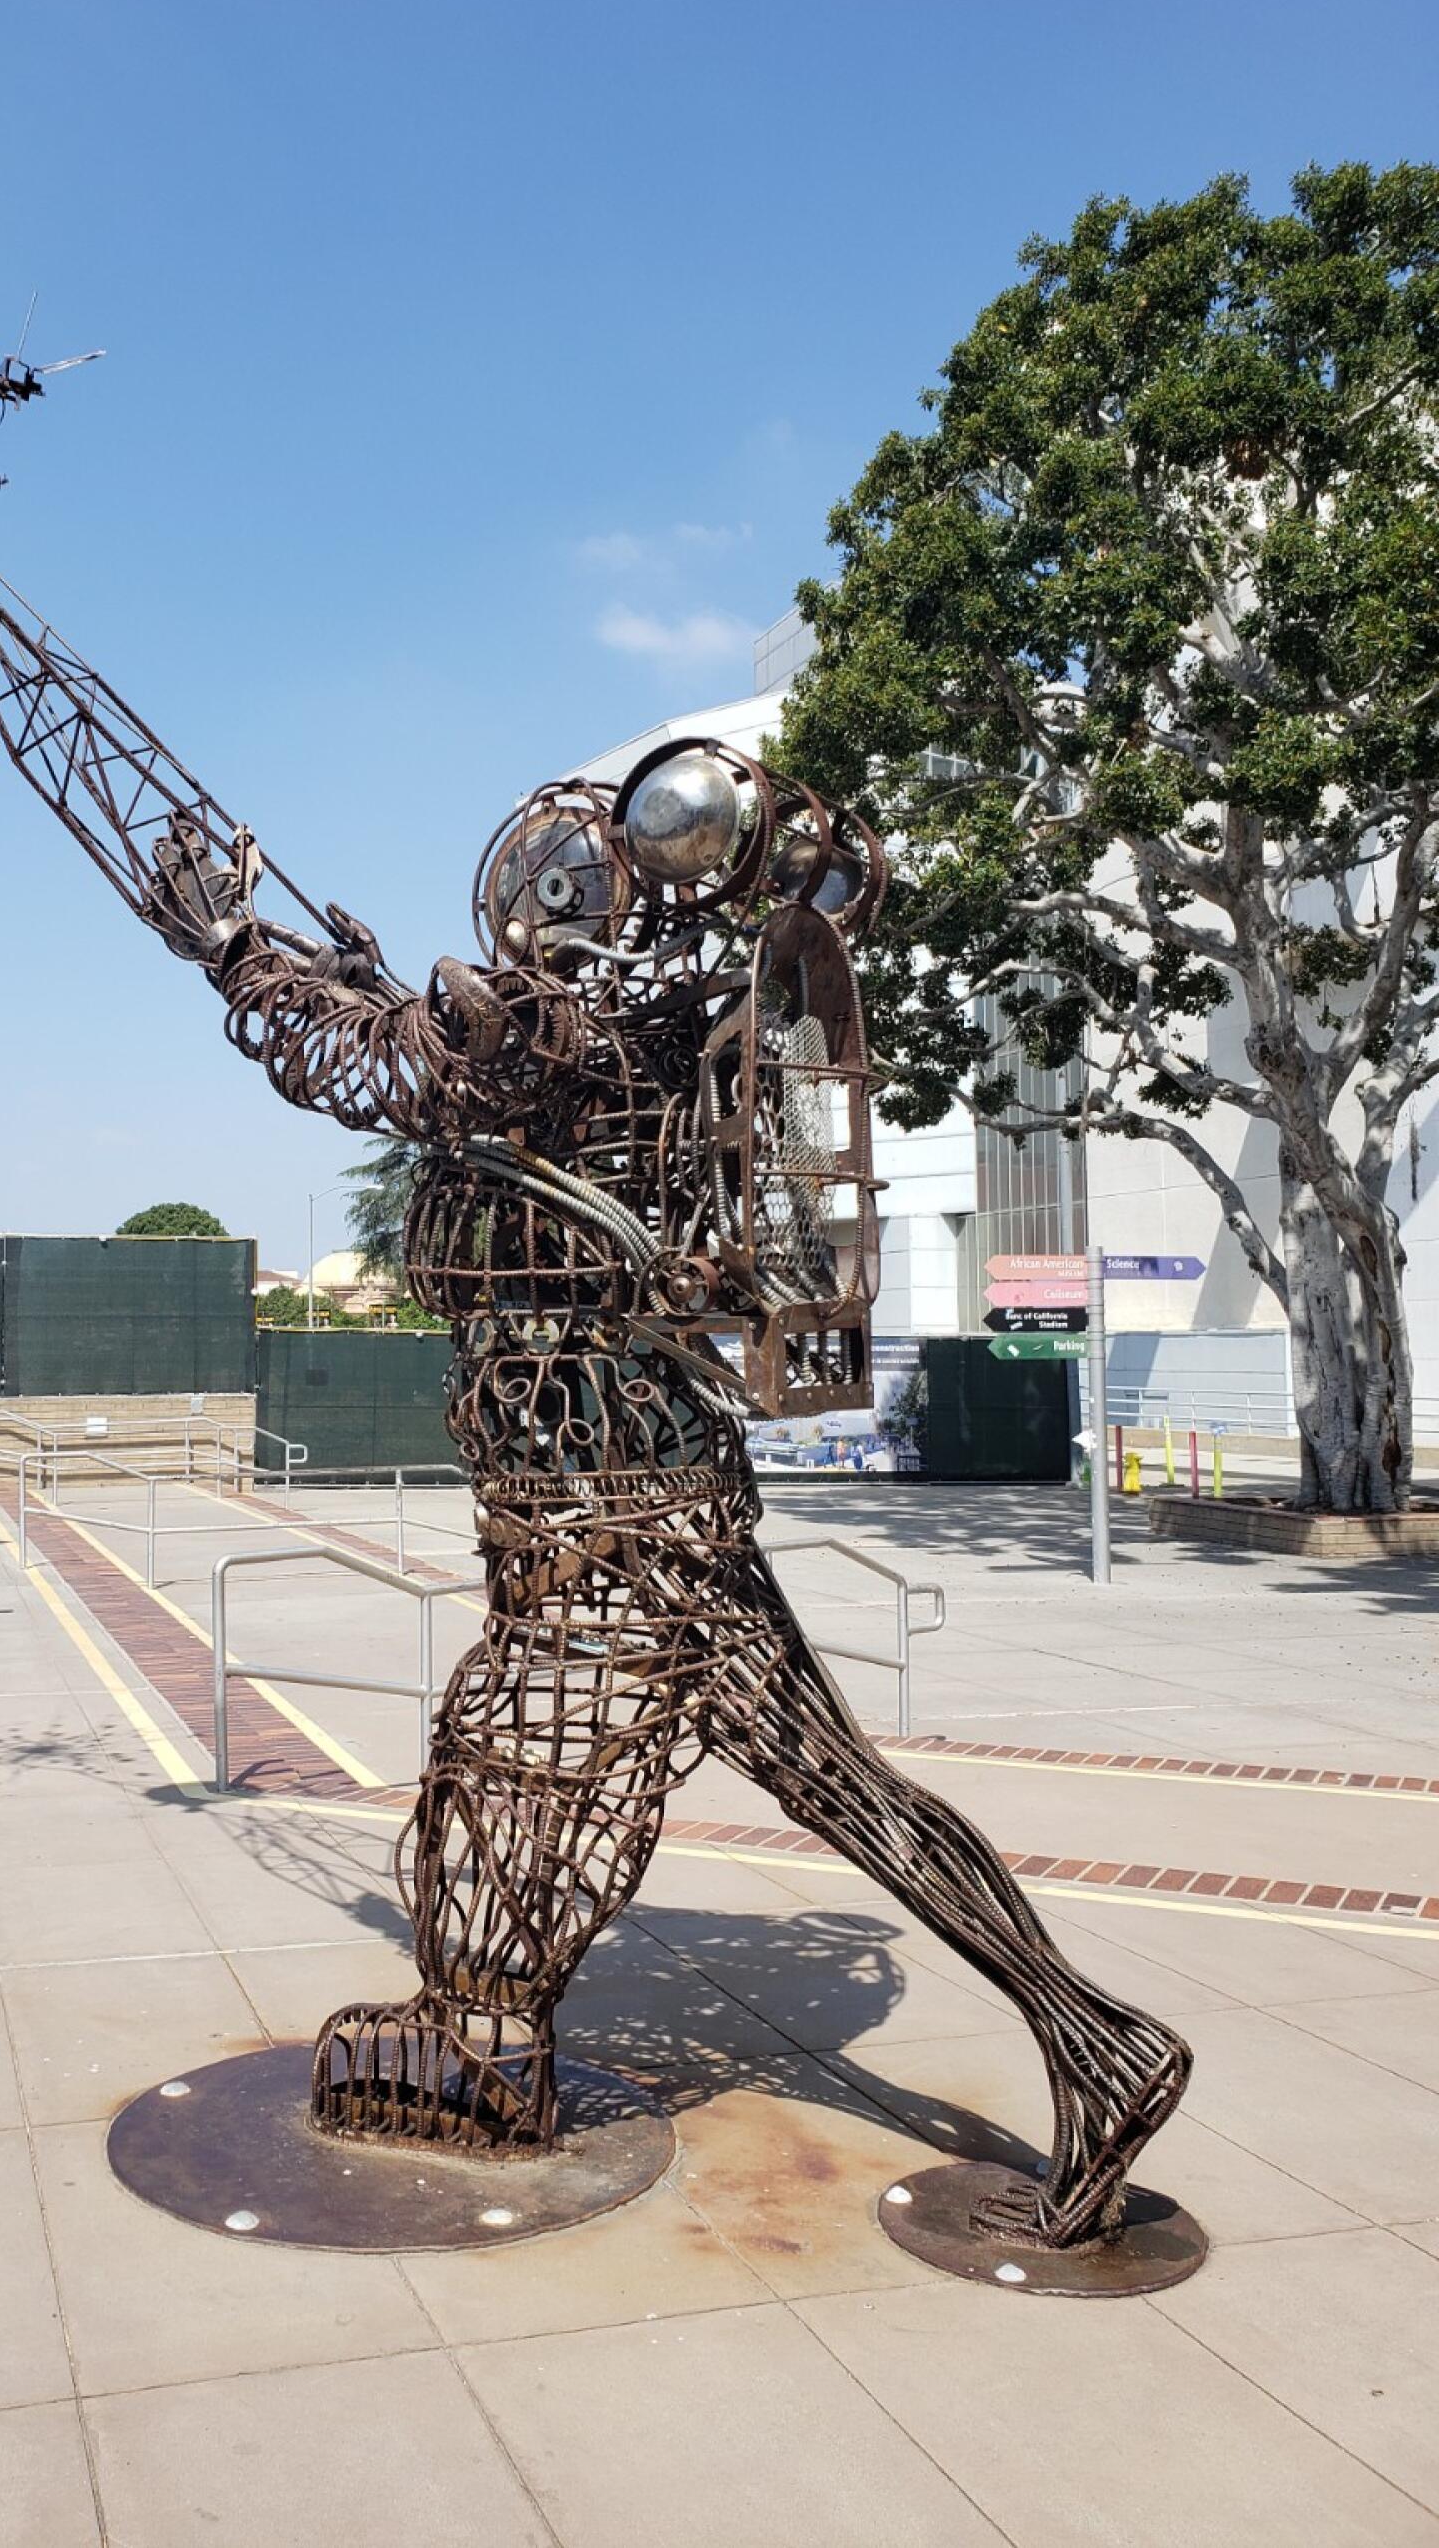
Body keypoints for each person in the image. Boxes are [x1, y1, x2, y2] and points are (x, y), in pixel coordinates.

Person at [138, 740, 1191, 2254]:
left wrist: (234, 946)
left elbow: (375, 1053)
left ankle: (483, 2044)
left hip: (606, 1517)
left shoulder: (572, 1029)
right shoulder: (637, 1030)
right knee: (854, 1794)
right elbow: (397, 1030)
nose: (535, 895)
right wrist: (304, 962)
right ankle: (1100, 2044)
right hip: (658, 1497)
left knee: (510, 1760)